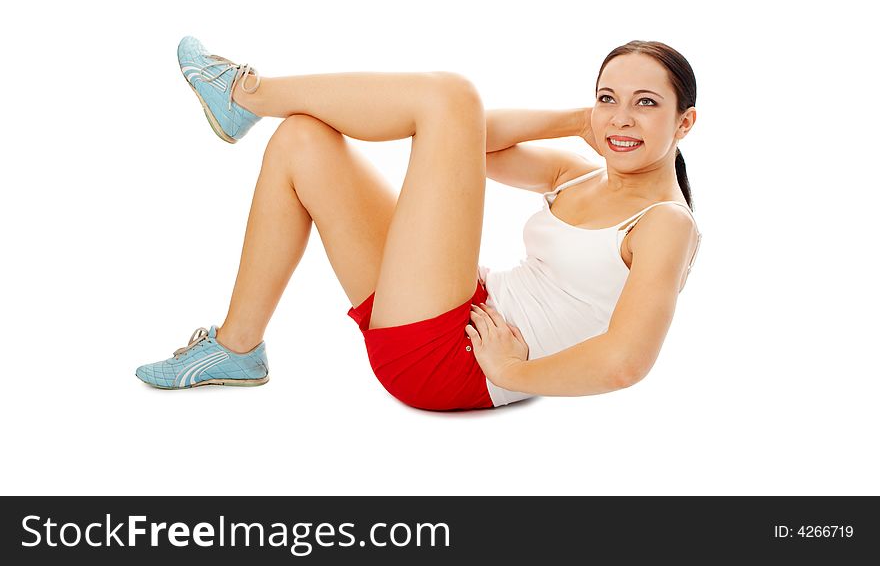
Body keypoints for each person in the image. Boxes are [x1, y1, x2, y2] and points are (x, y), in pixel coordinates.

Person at [135, 37, 702, 411]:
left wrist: (511, 371)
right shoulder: (576, 175)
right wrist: (582, 120)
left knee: (450, 95)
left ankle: (244, 94)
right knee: (301, 140)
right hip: (459, 304)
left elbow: (626, 362)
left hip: (456, 359)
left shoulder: (664, 225)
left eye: (646, 103)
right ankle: (236, 348)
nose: (622, 118)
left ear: (685, 123)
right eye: (609, 98)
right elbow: (467, 144)